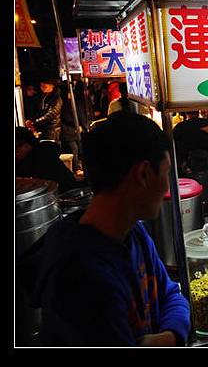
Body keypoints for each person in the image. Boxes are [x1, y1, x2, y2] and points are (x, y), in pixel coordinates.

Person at [17, 113, 191, 346]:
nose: (168, 186)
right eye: (166, 173)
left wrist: (169, 336)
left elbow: (172, 295)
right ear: (143, 174)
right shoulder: (80, 278)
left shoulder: (134, 234)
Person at [16, 126, 79, 193]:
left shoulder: (41, 157)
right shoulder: (43, 151)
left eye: (16, 149)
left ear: (27, 145)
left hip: (65, 194)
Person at [25, 75, 63, 144]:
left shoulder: (56, 98)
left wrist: (35, 122)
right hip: (43, 129)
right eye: (41, 86)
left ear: (52, 86)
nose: (42, 88)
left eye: (45, 86)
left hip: (52, 130)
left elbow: (51, 114)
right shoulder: (42, 97)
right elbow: (39, 111)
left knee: (51, 148)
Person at [59, 82, 83, 173]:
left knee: (76, 149)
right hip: (68, 130)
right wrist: (77, 124)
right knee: (74, 149)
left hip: (71, 129)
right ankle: (77, 168)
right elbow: (68, 117)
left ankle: (78, 167)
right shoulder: (65, 103)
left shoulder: (68, 102)